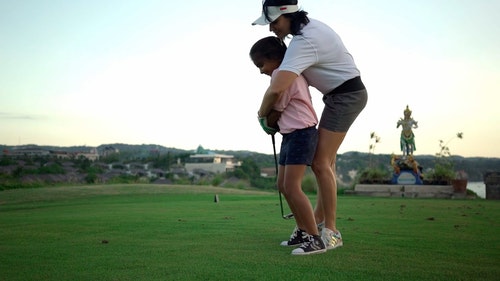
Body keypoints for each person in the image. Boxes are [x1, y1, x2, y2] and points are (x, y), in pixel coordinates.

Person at [252, 0, 368, 250]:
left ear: (286, 15)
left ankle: (331, 232)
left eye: (273, 22)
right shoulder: (309, 29)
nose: (271, 29)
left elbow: (276, 88)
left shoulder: (303, 41)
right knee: (325, 162)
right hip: (338, 96)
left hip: (346, 96)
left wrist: (261, 116)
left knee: (320, 163)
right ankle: (313, 223)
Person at [250, 36, 326, 255]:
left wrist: (263, 119)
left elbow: (275, 110)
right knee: (283, 185)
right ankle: (303, 231)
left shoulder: (285, 76)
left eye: (261, 65)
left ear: (275, 59)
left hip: (302, 133)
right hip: (291, 134)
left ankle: (315, 239)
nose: (260, 70)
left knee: (292, 186)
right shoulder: (280, 75)